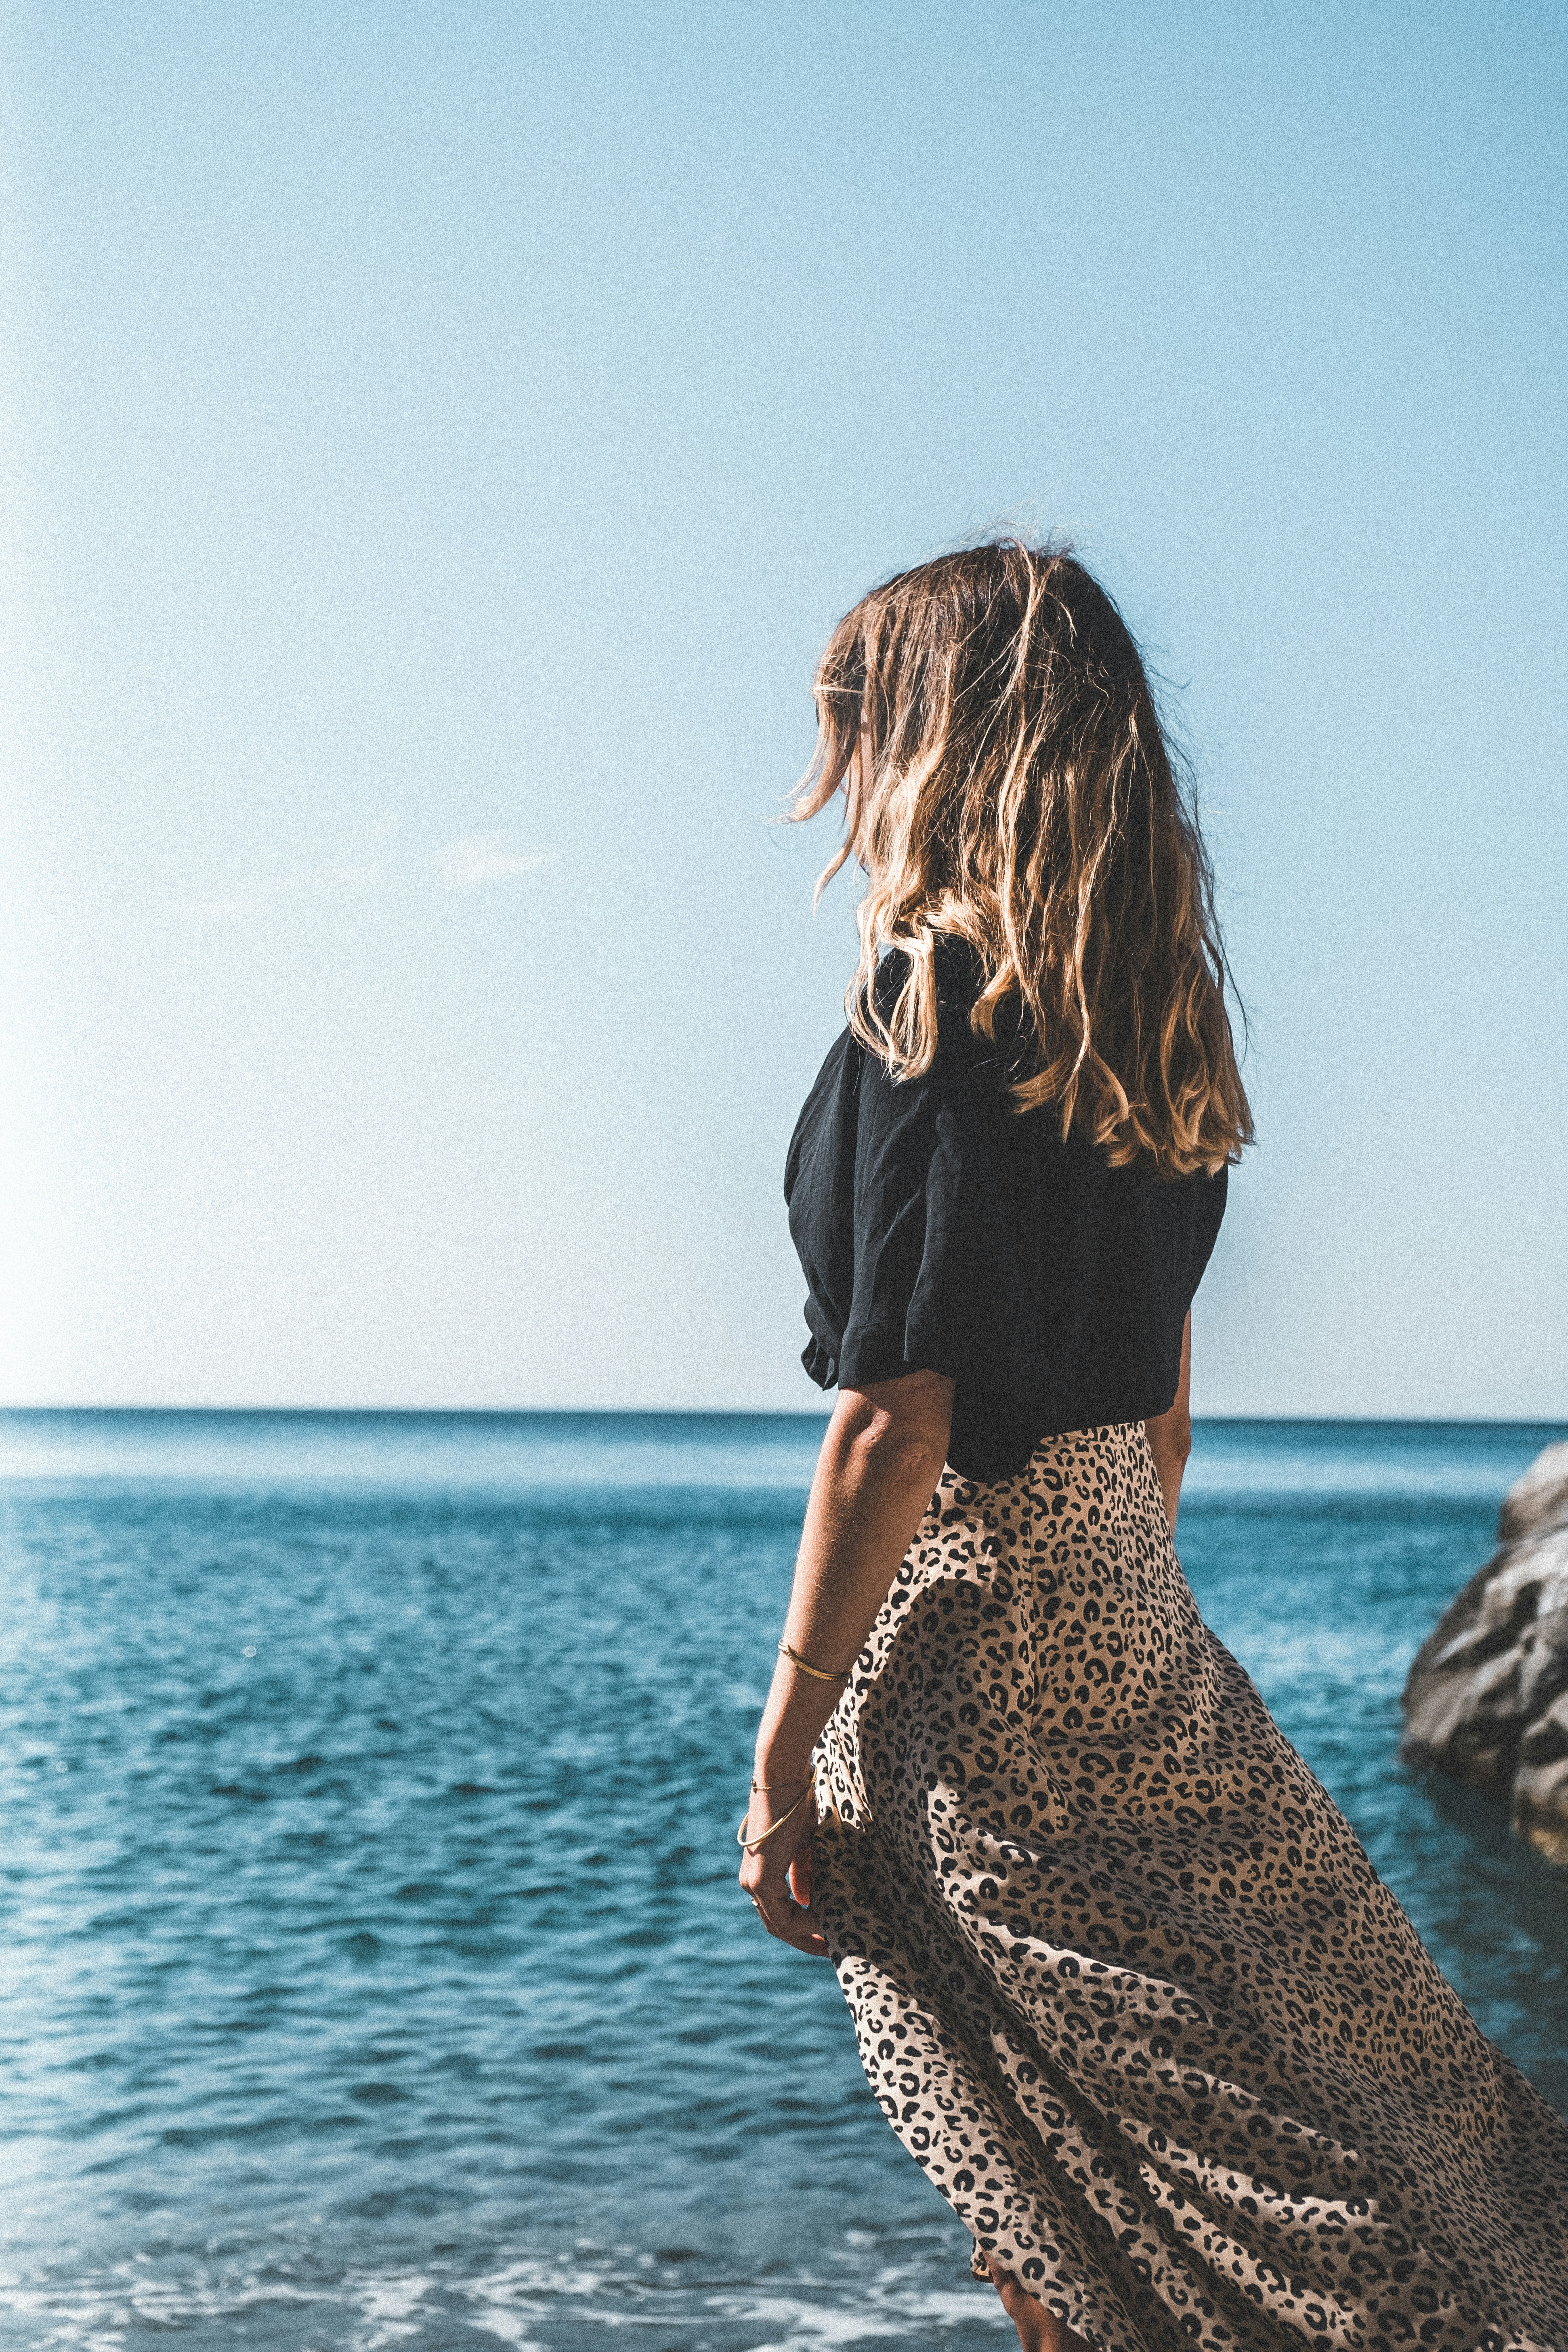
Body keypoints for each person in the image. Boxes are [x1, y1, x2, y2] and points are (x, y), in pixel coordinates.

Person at [740, 540, 1568, 2352]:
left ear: (938, 742)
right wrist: (1118, 1603)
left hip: (974, 1676)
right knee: (1331, 2102)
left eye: (861, 726)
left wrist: (787, 1741)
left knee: (1051, 2169)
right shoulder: (1146, 1022)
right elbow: (1164, 1400)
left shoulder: (925, 999)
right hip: (1136, 1634)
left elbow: (892, 1416)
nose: (845, 771)